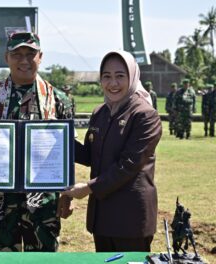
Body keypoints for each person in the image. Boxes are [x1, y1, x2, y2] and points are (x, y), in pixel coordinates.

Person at [0, 32, 73, 252]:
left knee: (42, 257)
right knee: (1, 256)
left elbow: (66, 150)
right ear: (6, 57)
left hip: (43, 200)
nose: (24, 60)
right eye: (17, 54)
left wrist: (67, 192)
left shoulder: (58, 99)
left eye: (30, 54)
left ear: (41, 56)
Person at [62, 50, 161, 252]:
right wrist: (59, 139)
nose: (112, 83)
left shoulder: (144, 115)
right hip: (103, 217)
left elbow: (128, 166)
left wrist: (88, 188)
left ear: (132, 76)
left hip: (130, 219)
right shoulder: (101, 112)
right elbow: (90, 155)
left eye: (120, 76)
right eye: (106, 76)